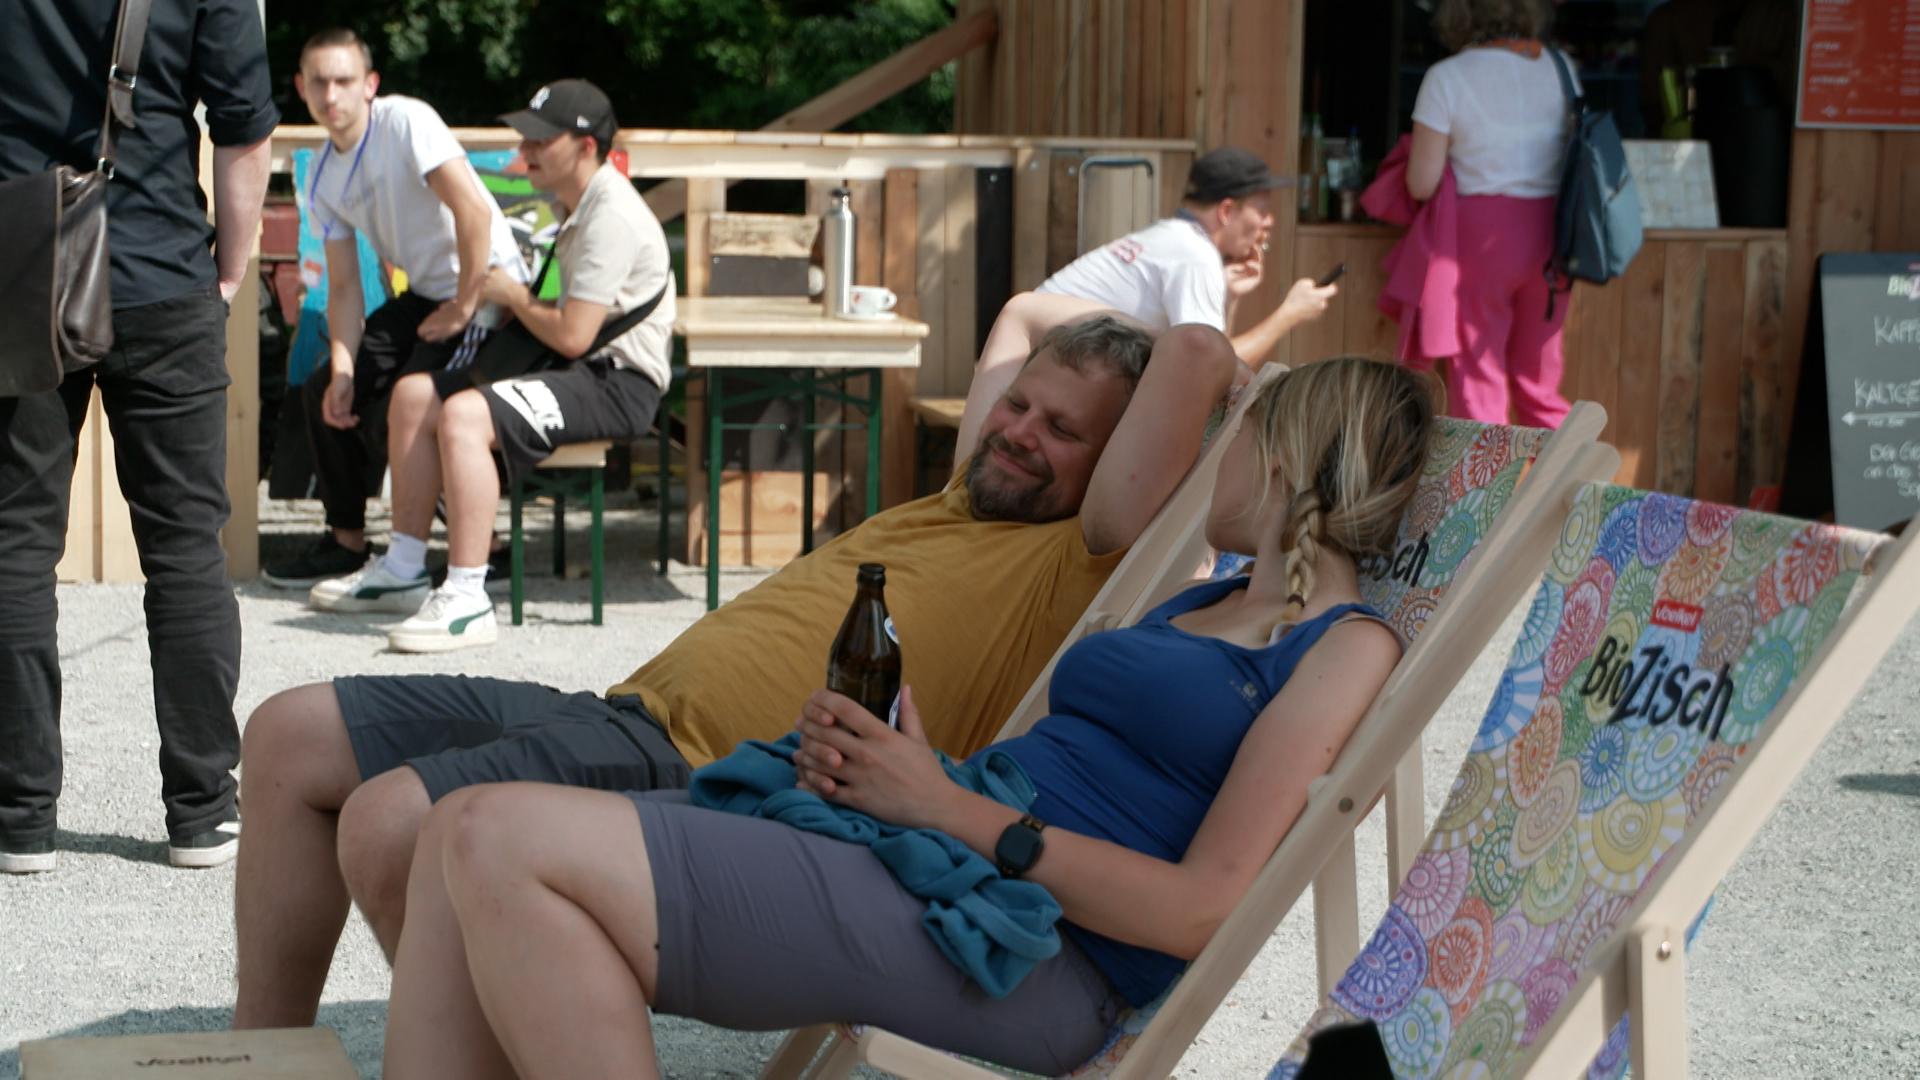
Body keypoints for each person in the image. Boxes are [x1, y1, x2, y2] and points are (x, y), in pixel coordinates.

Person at [377, 355, 1437, 1079]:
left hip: (1025, 951)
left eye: (1241, 433)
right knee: (451, 838)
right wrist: (916, 770)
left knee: (494, 835)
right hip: (936, 854)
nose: (1223, 455)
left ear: (1286, 458)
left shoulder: (1343, 645)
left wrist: (946, 807)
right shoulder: (1205, 600)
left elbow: (1199, 912)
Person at [231, 306, 1240, 1028]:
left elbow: (1195, 350)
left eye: (1064, 430)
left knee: (390, 819)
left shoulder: (1077, 553)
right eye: (1021, 406)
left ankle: (490, 1046)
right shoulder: (965, 493)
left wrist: (1224, 389)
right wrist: (1069, 367)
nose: (1020, 433)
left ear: (1114, 463)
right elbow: (1023, 313)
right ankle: (265, 1054)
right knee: (289, 729)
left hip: (706, 762)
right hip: (622, 710)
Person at [0, 0, 275, 874]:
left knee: (12, 546)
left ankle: (19, 821)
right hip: (162, 269)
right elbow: (241, 130)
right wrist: (229, 268)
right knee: (187, 547)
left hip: (19, 268)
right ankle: (202, 814)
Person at [340, 79, 674, 653]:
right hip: (580, 370)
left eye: (543, 140)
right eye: (528, 137)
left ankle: (468, 595)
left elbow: (572, 336)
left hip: (616, 384)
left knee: (466, 416)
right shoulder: (580, 204)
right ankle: (403, 568)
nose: (528, 151)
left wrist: (513, 296)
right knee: (414, 393)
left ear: (587, 146)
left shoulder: (611, 214)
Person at [260, 29, 531, 592]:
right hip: (429, 295)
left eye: (344, 81)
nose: (331, 94)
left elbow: (474, 214)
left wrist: (463, 305)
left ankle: (485, 552)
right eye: (319, 82)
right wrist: (342, 368)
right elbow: (343, 291)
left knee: (412, 401)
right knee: (327, 392)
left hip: (488, 291)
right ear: (301, 88)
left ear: (370, 86)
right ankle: (347, 541)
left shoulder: (405, 122)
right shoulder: (322, 176)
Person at [1404, 0, 1575, 426]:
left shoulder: (1446, 77)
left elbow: (1420, 183)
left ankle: (1490, 492)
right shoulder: (1561, 67)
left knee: (1480, 384)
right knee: (1540, 384)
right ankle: (1569, 488)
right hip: (1557, 234)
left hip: (1481, 236)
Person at [1036, 146, 1339, 368]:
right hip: (1049, 367)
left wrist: (1229, 296)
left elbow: (1211, 353)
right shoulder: (1195, 256)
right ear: (1226, 211)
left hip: (1047, 360)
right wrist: (1289, 314)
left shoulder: (1173, 236)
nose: (1269, 222)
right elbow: (1212, 371)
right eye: (1261, 210)